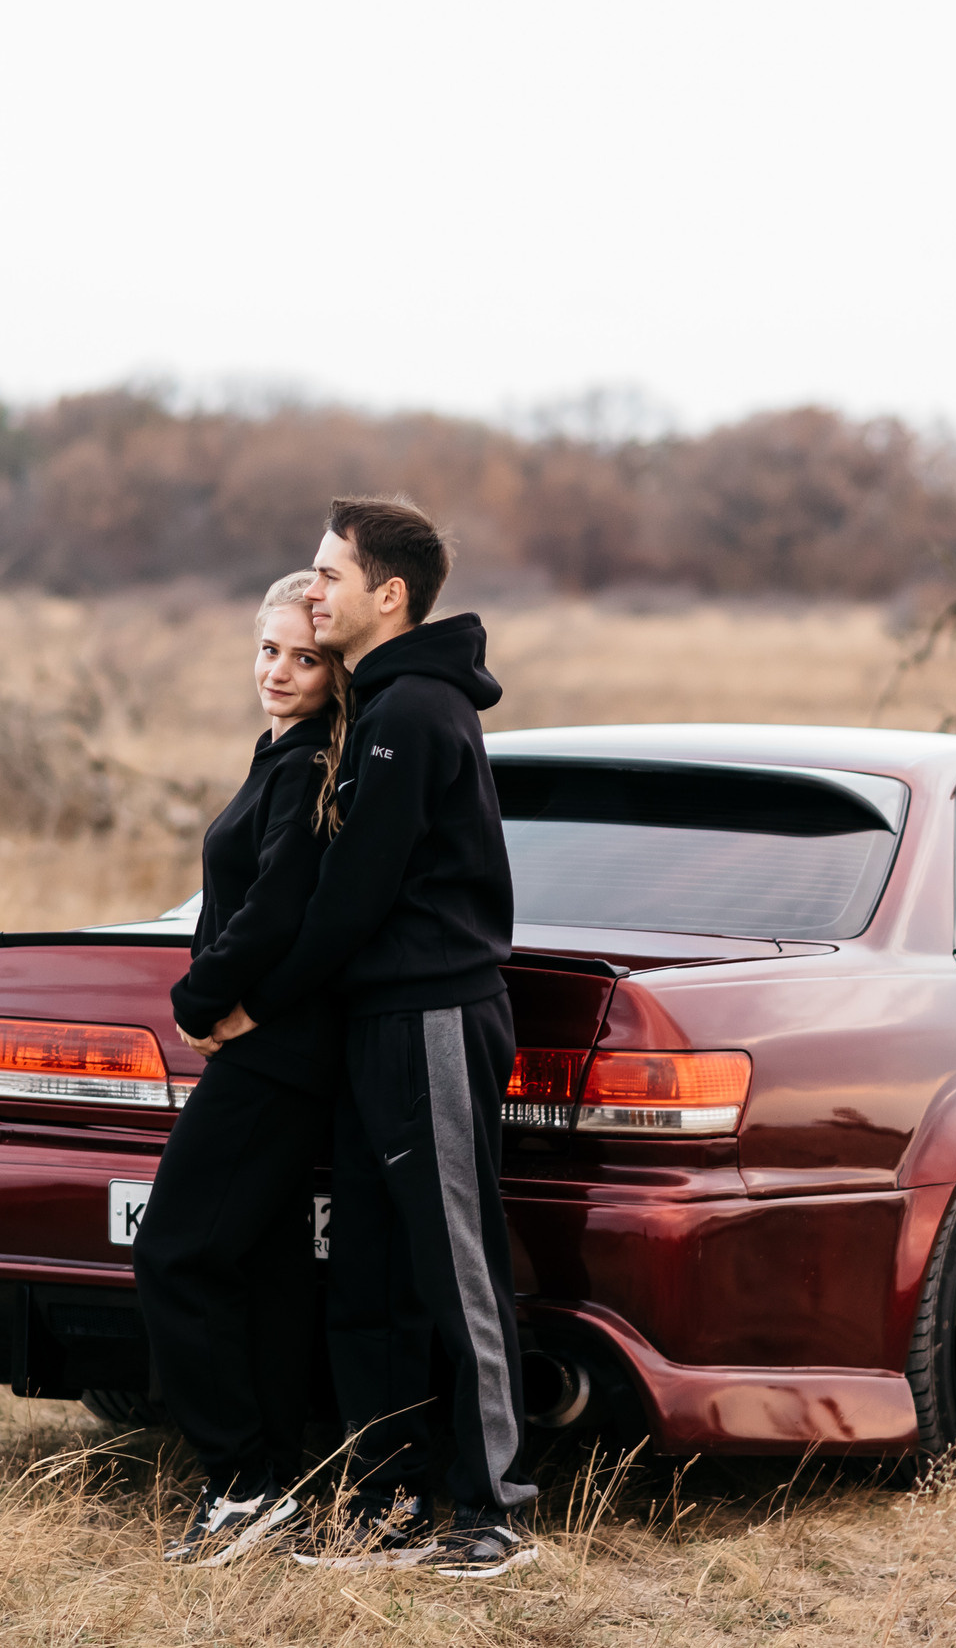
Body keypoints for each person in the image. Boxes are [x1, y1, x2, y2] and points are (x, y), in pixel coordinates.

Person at [200, 494, 538, 1578]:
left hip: (434, 1012)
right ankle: (387, 1496)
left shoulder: (418, 713)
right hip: (371, 1020)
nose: (312, 590)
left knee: (452, 1258)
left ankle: (496, 1511)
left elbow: (350, 897)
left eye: (329, 576)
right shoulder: (375, 706)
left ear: (387, 596)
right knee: (371, 1269)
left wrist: (255, 1002)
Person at [137, 570, 348, 1568]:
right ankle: (267, 1483)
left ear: (337, 669)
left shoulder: (311, 765)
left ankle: (238, 1483)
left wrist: (195, 996)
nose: (278, 672)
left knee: (175, 1250)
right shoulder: (281, 754)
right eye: (268, 650)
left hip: (275, 1056)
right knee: (260, 1267)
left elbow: (276, 908)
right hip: (275, 1051)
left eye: (305, 658)